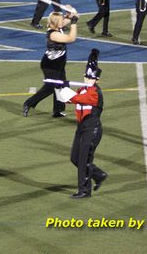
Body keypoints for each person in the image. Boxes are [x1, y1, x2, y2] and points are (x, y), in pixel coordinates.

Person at [55, 49, 108, 199]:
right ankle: (98, 175)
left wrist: (65, 87)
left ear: (97, 80)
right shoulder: (82, 90)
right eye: (86, 77)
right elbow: (64, 99)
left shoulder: (95, 93)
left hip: (92, 129)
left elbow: (77, 99)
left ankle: (84, 190)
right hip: (81, 127)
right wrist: (59, 87)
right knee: (75, 158)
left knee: (84, 159)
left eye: (91, 78)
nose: (87, 80)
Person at [23, 9, 79, 118]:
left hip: (59, 64)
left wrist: (71, 14)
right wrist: (74, 22)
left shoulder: (58, 27)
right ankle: (28, 103)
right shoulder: (53, 34)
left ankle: (58, 110)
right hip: (50, 65)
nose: (63, 21)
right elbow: (71, 38)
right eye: (61, 20)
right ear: (56, 22)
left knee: (62, 86)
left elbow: (70, 18)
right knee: (50, 87)